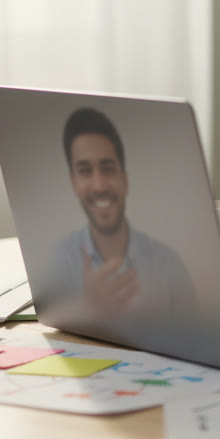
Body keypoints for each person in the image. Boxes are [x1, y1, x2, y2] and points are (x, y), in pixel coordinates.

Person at [46, 107, 195, 318]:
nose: (99, 185)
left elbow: (195, 339)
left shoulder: (169, 266)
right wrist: (88, 310)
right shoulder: (60, 262)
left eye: (107, 168)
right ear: (73, 183)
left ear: (125, 179)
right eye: (85, 171)